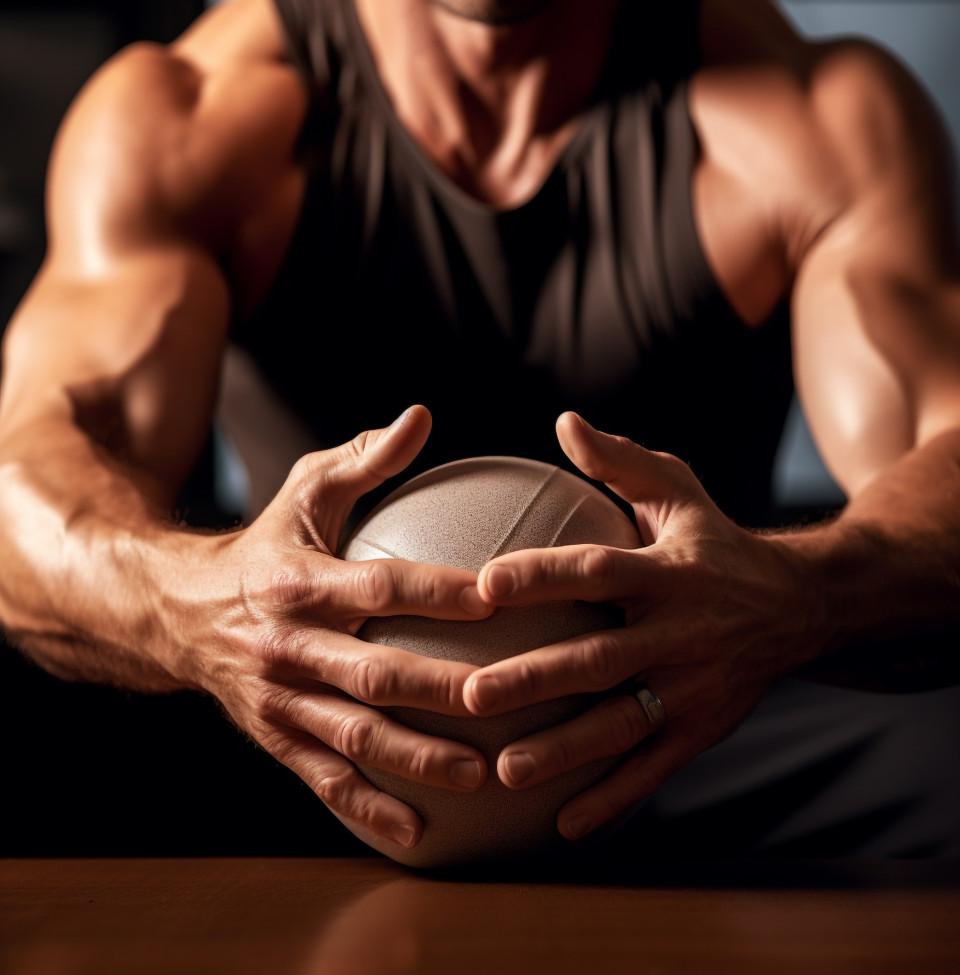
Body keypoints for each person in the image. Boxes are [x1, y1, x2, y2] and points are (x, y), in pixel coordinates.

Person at [0, 0, 958, 860]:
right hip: (306, 746)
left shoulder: (812, 116)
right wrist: (202, 608)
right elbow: (24, 495)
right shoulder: (191, 117)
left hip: (702, 730)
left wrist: (792, 599)